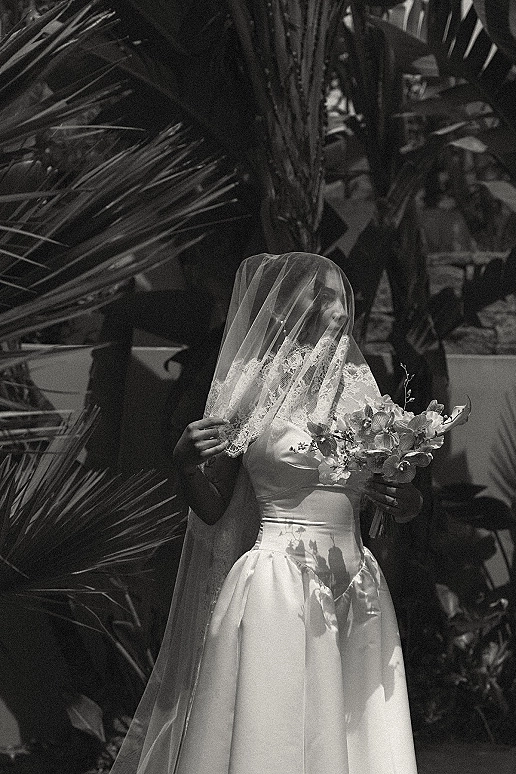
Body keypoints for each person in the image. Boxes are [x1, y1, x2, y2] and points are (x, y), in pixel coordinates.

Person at [111, 252, 422, 774]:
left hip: (355, 585)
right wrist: (185, 464)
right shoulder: (253, 389)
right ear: (280, 310)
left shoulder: (363, 393)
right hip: (278, 583)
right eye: (320, 298)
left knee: (354, 733)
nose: (338, 311)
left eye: (341, 299)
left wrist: (402, 499)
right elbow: (213, 510)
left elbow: (404, 500)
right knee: (272, 733)